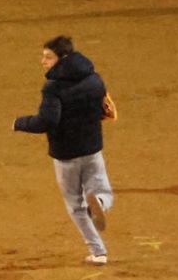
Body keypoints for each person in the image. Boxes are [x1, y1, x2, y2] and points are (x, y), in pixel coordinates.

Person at [13, 36, 116, 266]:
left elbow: (47, 121)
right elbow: (105, 109)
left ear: (63, 59)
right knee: (104, 192)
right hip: (92, 149)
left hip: (66, 155)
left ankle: (98, 252)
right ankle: (99, 201)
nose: (43, 61)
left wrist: (20, 123)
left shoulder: (53, 88)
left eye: (48, 57)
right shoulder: (95, 80)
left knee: (75, 206)